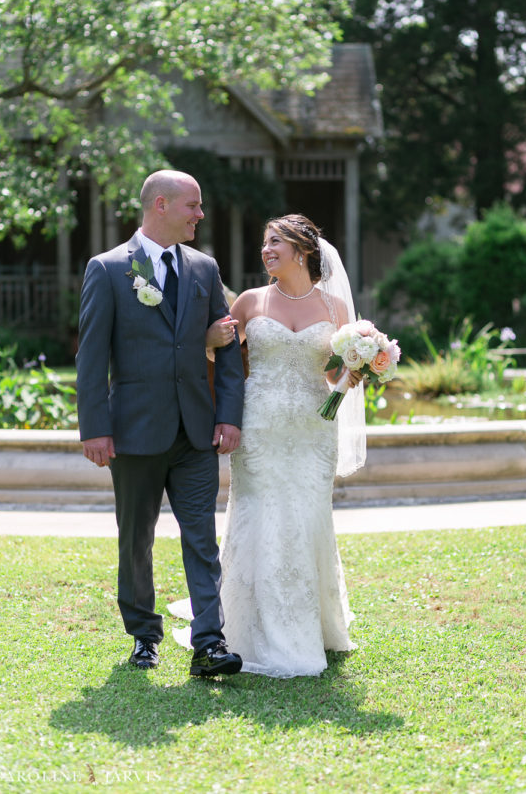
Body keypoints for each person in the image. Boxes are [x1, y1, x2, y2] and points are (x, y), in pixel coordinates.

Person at [171, 214, 367, 677]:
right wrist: (206, 340)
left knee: (307, 518)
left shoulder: (337, 308)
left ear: (302, 250)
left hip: (312, 431)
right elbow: (219, 356)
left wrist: (354, 373)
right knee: (259, 516)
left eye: (275, 242)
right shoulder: (248, 302)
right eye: (264, 243)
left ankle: (313, 625)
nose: (266, 250)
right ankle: (243, 626)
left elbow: (334, 375)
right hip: (258, 427)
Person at [76, 169, 245, 677]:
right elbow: (90, 357)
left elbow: (229, 348)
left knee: (201, 538)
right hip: (133, 433)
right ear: (162, 205)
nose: (200, 214)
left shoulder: (205, 268)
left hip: (195, 432)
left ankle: (209, 644)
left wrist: (228, 417)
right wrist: (94, 428)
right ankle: (144, 637)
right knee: (136, 540)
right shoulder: (107, 270)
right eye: (193, 205)